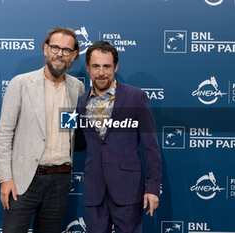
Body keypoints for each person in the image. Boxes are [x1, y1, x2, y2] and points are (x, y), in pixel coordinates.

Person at [0, 27, 85, 233]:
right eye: (55, 47)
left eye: (66, 50)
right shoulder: (21, 83)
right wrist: (5, 178)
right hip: (23, 180)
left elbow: (71, 130)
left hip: (60, 180)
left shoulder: (76, 88)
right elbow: (4, 135)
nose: (59, 54)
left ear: (74, 55)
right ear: (45, 49)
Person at [76, 41, 161, 233]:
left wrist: (153, 187)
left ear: (115, 67)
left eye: (107, 66)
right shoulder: (81, 102)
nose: (101, 72)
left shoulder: (136, 97)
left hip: (128, 189)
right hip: (94, 191)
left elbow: (151, 146)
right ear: (88, 67)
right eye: (96, 66)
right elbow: (78, 142)